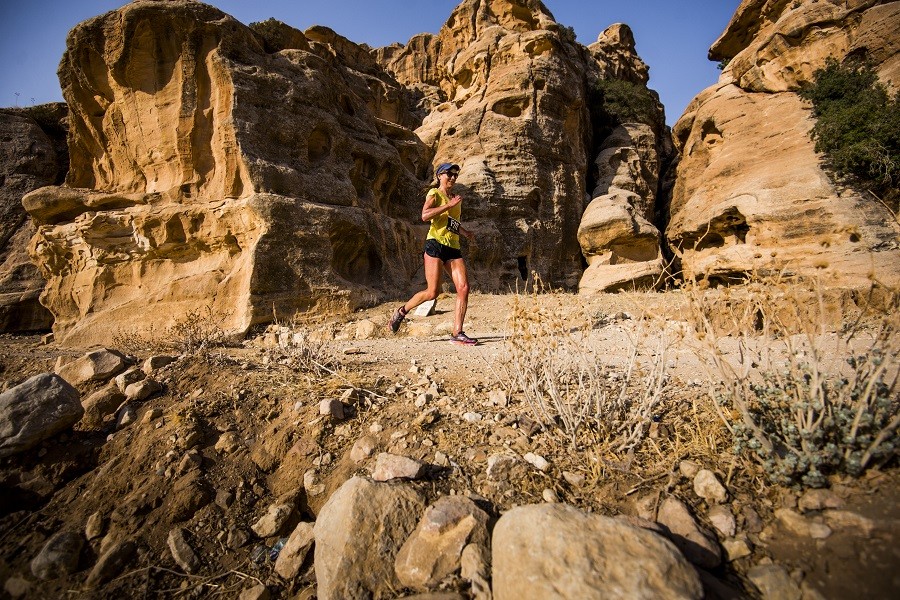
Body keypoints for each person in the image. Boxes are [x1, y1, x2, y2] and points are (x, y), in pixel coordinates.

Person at [388, 162, 478, 345]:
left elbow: (451, 222)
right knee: (432, 292)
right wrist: (448, 205)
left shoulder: (456, 199)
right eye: (449, 174)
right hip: (435, 245)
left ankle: (457, 333)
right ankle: (401, 311)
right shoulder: (434, 193)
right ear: (439, 176)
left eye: (455, 175)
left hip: (453, 247)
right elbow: (425, 215)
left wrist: (465, 232)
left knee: (463, 287)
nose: (453, 177)